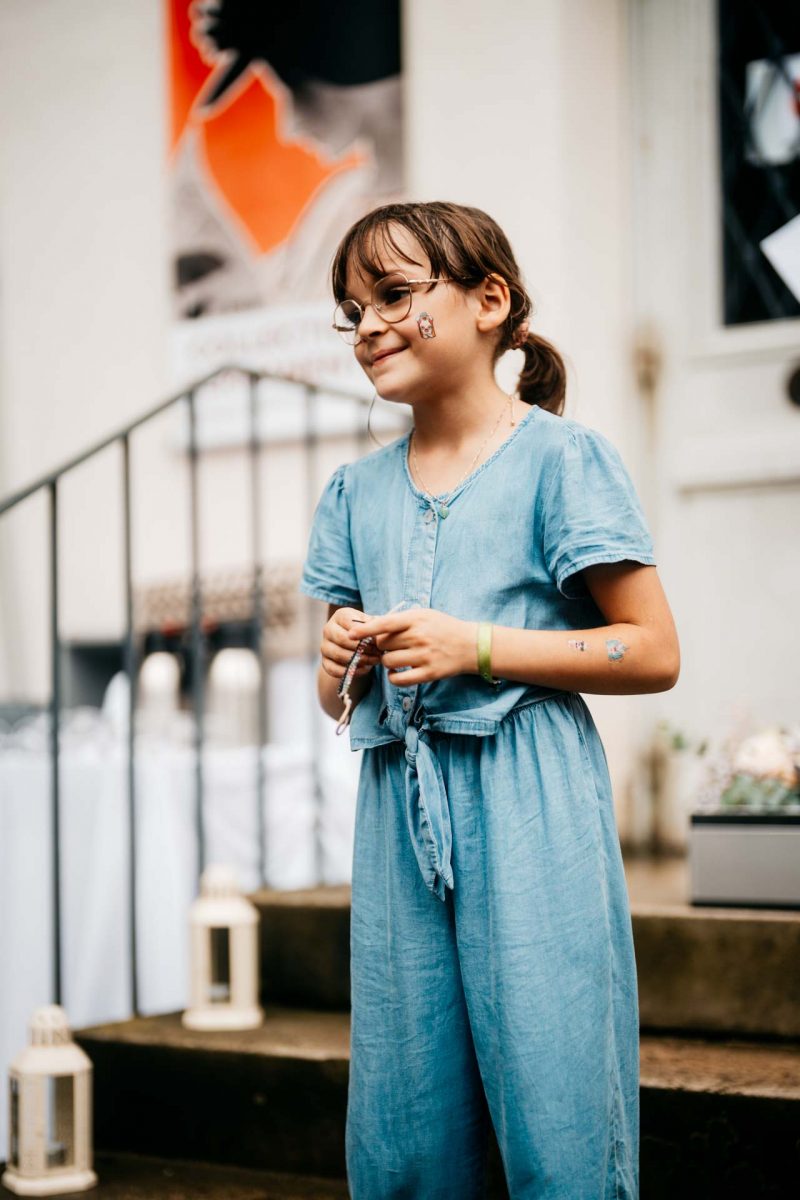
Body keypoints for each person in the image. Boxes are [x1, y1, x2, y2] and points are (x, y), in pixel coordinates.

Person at [299, 200, 680, 1200]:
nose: (369, 326)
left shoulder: (561, 460)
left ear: (488, 301)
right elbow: (334, 697)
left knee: (554, 1089)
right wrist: (337, 661)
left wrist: (475, 646)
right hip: (398, 811)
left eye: (393, 295)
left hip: (528, 801)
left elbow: (651, 650)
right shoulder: (353, 493)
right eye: (352, 310)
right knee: (407, 1112)